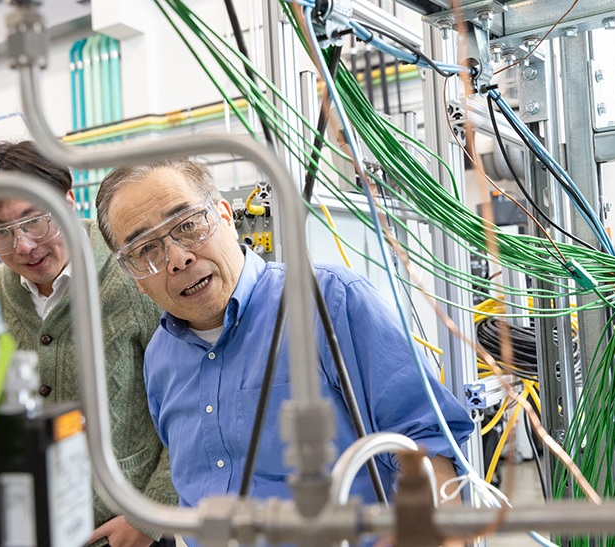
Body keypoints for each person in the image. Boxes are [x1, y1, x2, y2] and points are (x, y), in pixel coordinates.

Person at [94, 160, 474, 540]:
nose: (178, 259)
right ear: (135, 278)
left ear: (226, 217)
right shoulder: (160, 358)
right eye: (146, 249)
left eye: (189, 225)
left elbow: (426, 445)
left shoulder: (328, 303)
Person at [0, 141, 178, 547]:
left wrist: (150, 516)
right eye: (0, 234)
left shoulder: (135, 274)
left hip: (123, 531)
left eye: (34, 222)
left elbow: (188, 406)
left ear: (68, 201)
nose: (23, 246)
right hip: (24, 528)